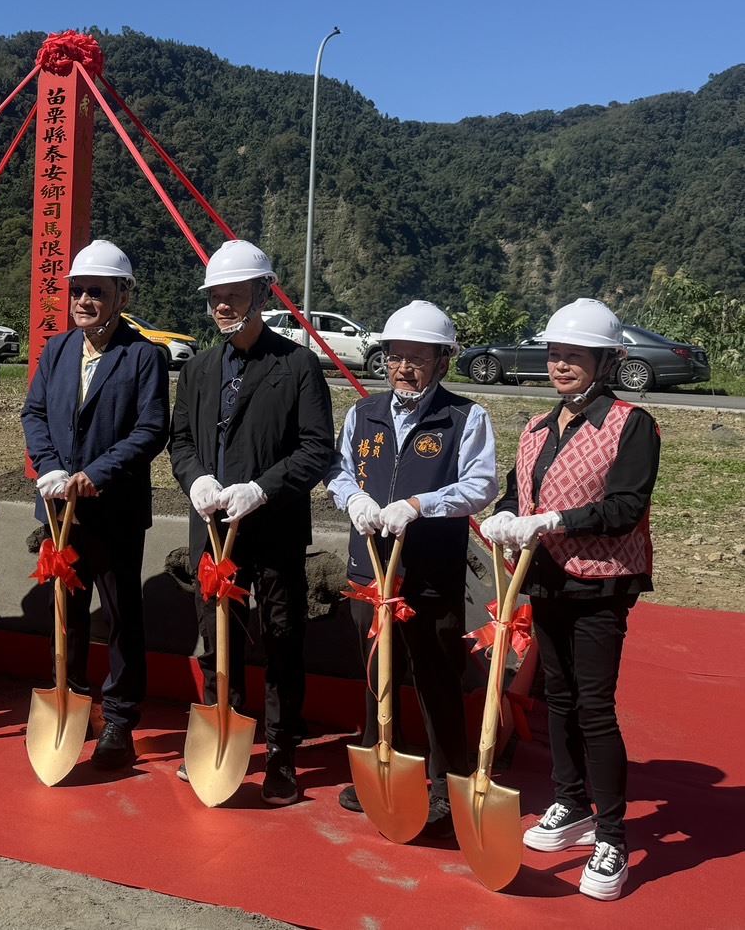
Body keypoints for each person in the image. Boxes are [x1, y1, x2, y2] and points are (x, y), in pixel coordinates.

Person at [480, 298, 659, 902]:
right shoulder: (536, 426)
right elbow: (516, 493)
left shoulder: (631, 424)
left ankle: (612, 833)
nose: (561, 365)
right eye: (555, 354)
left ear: (605, 362)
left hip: (601, 581)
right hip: (546, 577)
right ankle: (570, 802)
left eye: (575, 355)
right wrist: (506, 518)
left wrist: (552, 519)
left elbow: (625, 508)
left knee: (593, 705)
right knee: (556, 696)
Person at [167, 239, 334, 804]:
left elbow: (316, 451)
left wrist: (262, 488)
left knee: (281, 639)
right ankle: (223, 730)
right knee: (218, 640)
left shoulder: (297, 365)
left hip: (275, 529)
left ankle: (283, 752)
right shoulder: (198, 368)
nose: (222, 307)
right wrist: (196, 482)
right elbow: (182, 441)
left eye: (234, 296)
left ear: (263, 295)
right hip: (212, 530)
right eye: (215, 298)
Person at [324, 300, 498, 835]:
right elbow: (340, 469)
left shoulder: (465, 417)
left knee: (436, 676)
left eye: (418, 358)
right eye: (397, 357)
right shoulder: (363, 413)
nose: (405, 369)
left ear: (443, 361)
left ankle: (449, 786)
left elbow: (481, 485)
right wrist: (352, 499)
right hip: (369, 570)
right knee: (377, 673)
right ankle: (380, 766)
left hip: (429, 573)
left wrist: (420, 506)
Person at [21, 240, 169, 767]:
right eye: (77, 291)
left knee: (122, 613)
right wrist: (51, 468)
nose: (83, 300)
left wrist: (95, 473)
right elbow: (34, 414)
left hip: (115, 509)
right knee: (68, 611)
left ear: (122, 295)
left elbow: (152, 428)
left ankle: (122, 719)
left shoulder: (144, 355)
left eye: (96, 292)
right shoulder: (58, 350)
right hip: (60, 506)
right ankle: (71, 699)